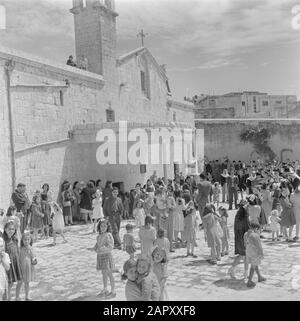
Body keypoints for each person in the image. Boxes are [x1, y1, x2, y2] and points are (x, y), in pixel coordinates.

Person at [94, 219, 116, 298]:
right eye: (101, 226)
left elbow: (110, 246)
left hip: (106, 256)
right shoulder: (99, 236)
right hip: (100, 256)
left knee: (109, 273)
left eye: (104, 226)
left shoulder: (108, 235)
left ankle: (113, 290)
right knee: (103, 273)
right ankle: (105, 288)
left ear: (107, 227)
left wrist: (102, 248)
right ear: (99, 227)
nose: (102, 228)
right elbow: (97, 244)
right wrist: (95, 248)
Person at [228, 200, 250, 279]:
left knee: (241, 255)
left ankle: (232, 269)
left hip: (238, 237)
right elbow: (248, 228)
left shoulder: (237, 215)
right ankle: (245, 273)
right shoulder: (245, 216)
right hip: (245, 238)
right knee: (245, 255)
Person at [2, 221, 22, 301]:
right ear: (5, 229)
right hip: (9, 264)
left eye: (13, 229)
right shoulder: (3, 240)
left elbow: (18, 250)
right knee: (10, 283)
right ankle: (7, 298)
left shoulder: (15, 239)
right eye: (9, 229)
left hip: (16, 262)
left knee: (20, 280)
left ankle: (17, 297)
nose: (11, 231)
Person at [244, 222, 266, 288]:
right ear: (256, 228)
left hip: (248, 251)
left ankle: (259, 276)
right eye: (259, 229)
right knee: (253, 267)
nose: (259, 231)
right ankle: (249, 281)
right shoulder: (255, 235)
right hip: (254, 253)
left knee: (255, 264)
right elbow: (259, 246)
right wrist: (261, 254)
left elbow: (245, 244)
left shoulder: (245, 233)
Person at [19, 231, 37, 301]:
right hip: (21, 268)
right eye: (25, 240)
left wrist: (34, 260)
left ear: (30, 240)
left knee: (27, 283)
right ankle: (17, 296)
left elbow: (34, 258)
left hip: (28, 268)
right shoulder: (20, 249)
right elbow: (19, 258)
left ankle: (27, 295)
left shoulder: (31, 248)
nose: (26, 241)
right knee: (20, 283)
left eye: (28, 239)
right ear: (22, 240)